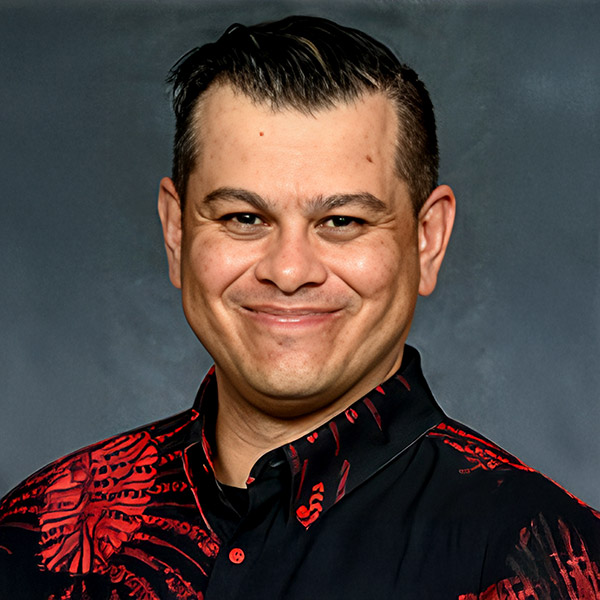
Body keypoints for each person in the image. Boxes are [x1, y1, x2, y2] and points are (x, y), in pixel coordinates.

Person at [0, 15, 598, 600]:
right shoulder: (30, 536)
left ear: (427, 240)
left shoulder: (545, 561)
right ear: (176, 233)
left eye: (342, 221)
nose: (288, 272)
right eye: (244, 218)